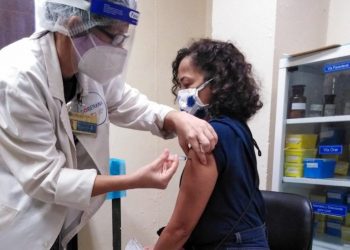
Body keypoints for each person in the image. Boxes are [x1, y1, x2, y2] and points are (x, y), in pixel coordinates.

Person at [0, 1, 218, 249]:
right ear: (75, 25)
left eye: (124, 38)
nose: (120, 49)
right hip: (22, 225)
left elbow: (128, 102)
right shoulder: (17, 78)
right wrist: (133, 180)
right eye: (114, 37)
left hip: (64, 218)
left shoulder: (86, 67)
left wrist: (176, 118)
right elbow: (47, 179)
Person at [151, 38, 269, 250]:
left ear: (217, 83)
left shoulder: (208, 137)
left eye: (187, 85)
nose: (181, 94)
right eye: (179, 86)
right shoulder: (235, 128)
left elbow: (180, 229)